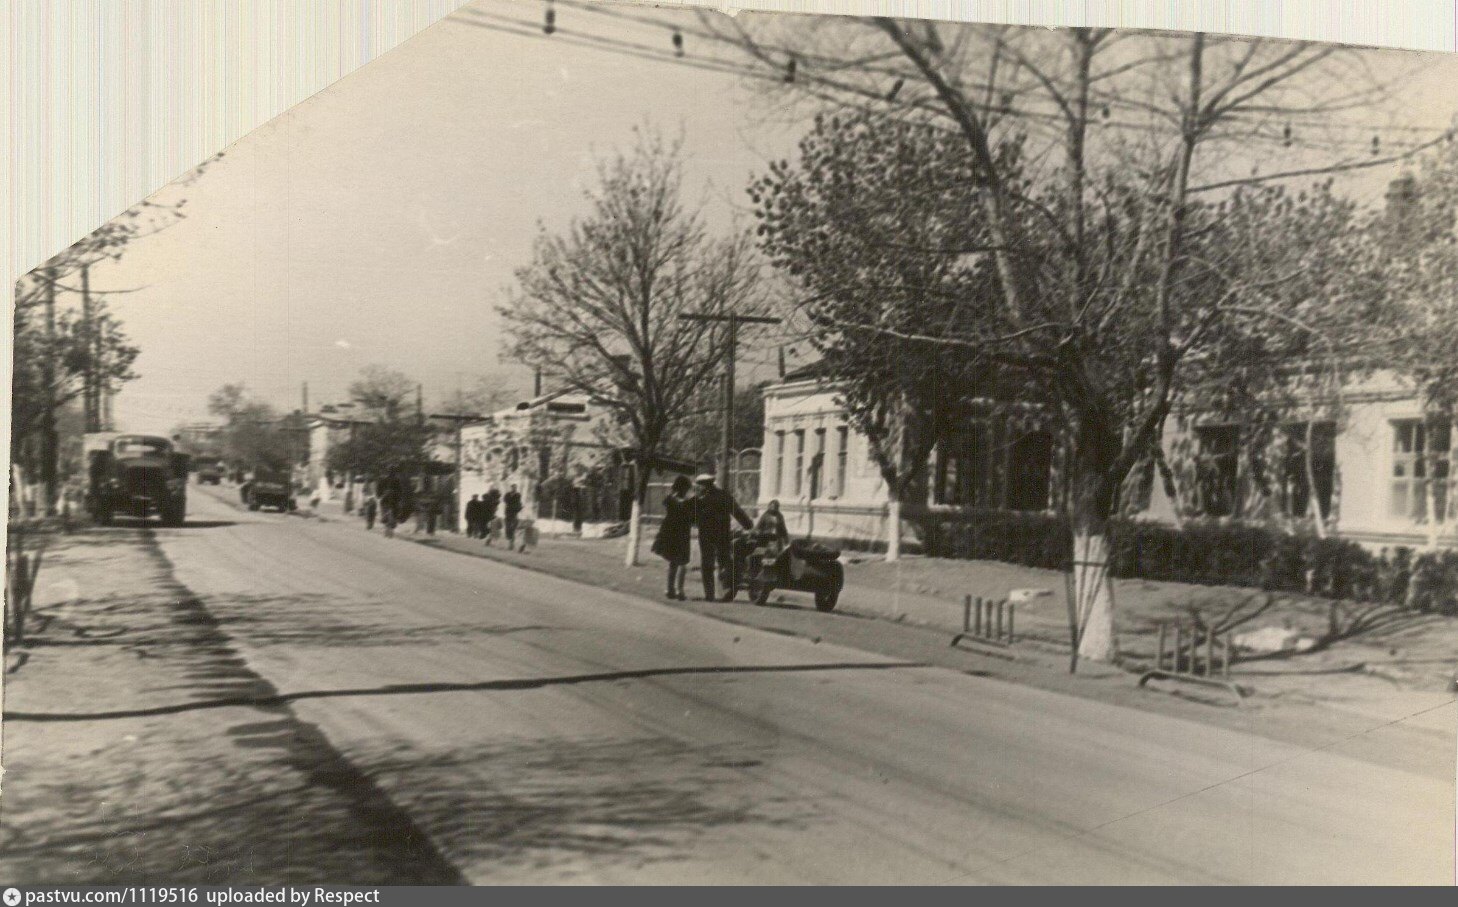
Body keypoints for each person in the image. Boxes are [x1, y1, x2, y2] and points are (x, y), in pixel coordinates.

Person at [692, 474, 753, 601]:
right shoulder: (724, 496)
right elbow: (737, 511)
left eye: (700, 485)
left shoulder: (701, 499)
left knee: (707, 564)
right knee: (725, 561)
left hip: (707, 535)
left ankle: (709, 595)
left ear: (705, 485)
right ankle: (727, 591)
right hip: (723, 534)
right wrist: (748, 525)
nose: (699, 488)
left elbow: (693, 518)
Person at [651, 475, 694, 600]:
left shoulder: (670, 500)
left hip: (671, 534)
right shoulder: (689, 503)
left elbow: (666, 501)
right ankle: (680, 590)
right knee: (683, 562)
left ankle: (670, 589)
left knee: (673, 562)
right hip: (683, 534)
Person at [503, 484, 523, 550]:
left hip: (514, 513)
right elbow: (505, 501)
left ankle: (511, 544)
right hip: (507, 513)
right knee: (507, 528)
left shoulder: (518, 495)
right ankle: (510, 540)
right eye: (513, 487)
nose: (514, 489)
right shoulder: (507, 494)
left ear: (516, 488)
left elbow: (517, 503)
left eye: (515, 488)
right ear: (511, 488)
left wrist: (518, 507)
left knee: (513, 528)